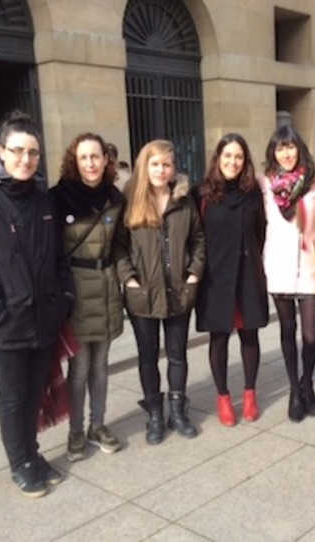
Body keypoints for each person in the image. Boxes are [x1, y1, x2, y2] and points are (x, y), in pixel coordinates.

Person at [0, 111, 74, 498]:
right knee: (13, 395)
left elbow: (58, 256)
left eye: (33, 153)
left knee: (36, 390)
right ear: (1, 152)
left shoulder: (43, 200)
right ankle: (19, 462)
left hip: (45, 317)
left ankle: (33, 455)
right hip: (8, 322)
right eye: (18, 151)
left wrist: (64, 298)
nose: (26, 159)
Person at [115, 139, 206, 445]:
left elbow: (198, 240)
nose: (160, 170)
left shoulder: (184, 200)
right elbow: (119, 247)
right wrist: (129, 279)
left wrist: (193, 274)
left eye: (166, 164)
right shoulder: (130, 200)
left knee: (177, 355)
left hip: (179, 291)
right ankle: (155, 413)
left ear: (173, 168)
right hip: (143, 294)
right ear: (145, 165)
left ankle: (178, 411)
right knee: (148, 356)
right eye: (155, 164)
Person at [50, 133, 126, 462]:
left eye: (95, 156)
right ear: (74, 161)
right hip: (76, 290)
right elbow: (52, 249)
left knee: (101, 365)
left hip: (107, 287)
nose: (91, 163)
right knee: (79, 369)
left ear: (106, 159)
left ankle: (99, 425)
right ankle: (76, 430)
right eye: (83, 157)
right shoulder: (58, 197)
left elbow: (121, 243)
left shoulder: (114, 197)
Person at [194, 133, 268, 426]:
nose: (233, 162)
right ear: (218, 158)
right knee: (219, 336)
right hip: (216, 277)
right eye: (227, 156)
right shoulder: (202, 194)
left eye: (238, 157)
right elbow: (195, 235)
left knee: (250, 333)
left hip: (248, 273)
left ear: (245, 160)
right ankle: (223, 397)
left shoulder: (254, 193)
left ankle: (250, 393)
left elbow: (261, 232)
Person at [260, 125, 315, 422]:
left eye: (290, 146)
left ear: (300, 148)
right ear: (273, 153)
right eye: (280, 148)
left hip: (311, 268)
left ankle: (307, 382)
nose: (286, 153)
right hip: (278, 268)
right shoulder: (265, 184)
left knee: (310, 337)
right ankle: (294, 391)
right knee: (288, 331)